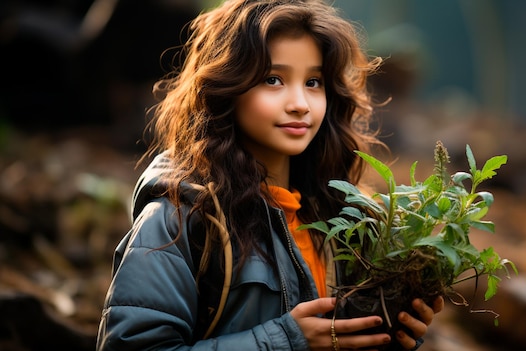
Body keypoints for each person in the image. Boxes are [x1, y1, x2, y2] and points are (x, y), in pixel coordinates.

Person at [96, 0, 444, 350]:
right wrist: (285, 342)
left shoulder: (346, 219)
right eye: (273, 79)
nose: (299, 103)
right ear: (227, 85)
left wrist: (391, 335)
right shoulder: (177, 219)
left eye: (313, 82)